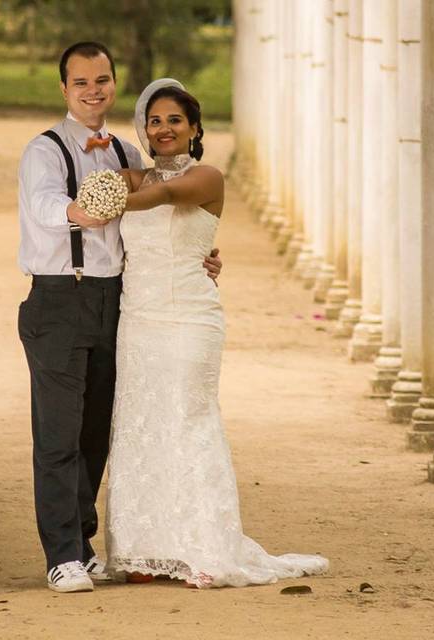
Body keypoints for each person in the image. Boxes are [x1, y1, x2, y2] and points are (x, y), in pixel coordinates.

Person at [104, 79, 329, 588]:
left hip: (188, 319)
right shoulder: (129, 176)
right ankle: (145, 552)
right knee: (140, 426)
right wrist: (108, 174)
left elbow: (162, 194)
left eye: (174, 120)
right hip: (138, 319)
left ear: (195, 128)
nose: (163, 129)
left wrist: (114, 192)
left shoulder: (207, 177)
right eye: (154, 120)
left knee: (187, 420)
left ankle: (201, 547)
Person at [17, 44, 222, 594]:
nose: (93, 90)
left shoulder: (130, 155)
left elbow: (166, 215)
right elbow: (39, 204)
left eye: (102, 79)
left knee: (96, 434)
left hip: (121, 303)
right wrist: (74, 211)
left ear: (113, 84)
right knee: (57, 434)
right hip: (60, 299)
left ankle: (81, 542)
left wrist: (200, 255)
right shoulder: (45, 150)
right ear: (64, 89)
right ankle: (61, 555)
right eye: (81, 81)